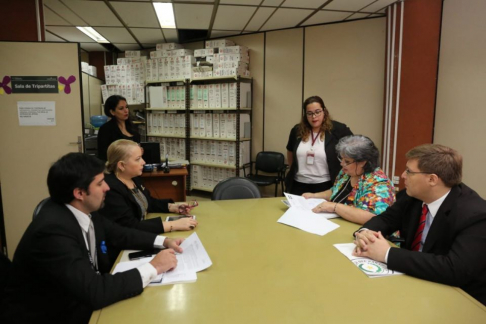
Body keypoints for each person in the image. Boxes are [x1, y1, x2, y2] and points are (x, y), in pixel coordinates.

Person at [0, 153, 184, 323]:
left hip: (79, 301)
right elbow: (94, 291)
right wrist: (154, 267)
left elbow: (120, 233)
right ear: (79, 193)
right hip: (52, 315)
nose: (107, 187)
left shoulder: (83, 209)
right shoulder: (52, 232)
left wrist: (163, 241)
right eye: (99, 183)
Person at [353, 144, 486, 305]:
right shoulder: (412, 196)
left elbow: (455, 269)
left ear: (432, 179)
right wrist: (365, 232)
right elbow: (386, 219)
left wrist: (386, 254)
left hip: (459, 298)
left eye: (409, 171)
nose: (402, 175)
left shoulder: (476, 215)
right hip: (413, 282)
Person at [100, 139, 198, 235]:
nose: (143, 162)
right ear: (121, 165)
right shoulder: (111, 189)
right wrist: (173, 225)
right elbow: (129, 225)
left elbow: (148, 201)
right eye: (138, 159)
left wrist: (173, 207)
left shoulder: (133, 178)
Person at [303, 135, 395, 224]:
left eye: (347, 161)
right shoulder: (346, 172)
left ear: (362, 162)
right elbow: (335, 191)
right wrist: (314, 195)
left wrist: (335, 207)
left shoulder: (379, 183)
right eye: (341, 159)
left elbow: (372, 217)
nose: (342, 164)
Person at [286, 96, 353, 195]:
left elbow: (354, 149)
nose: (314, 117)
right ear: (305, 115)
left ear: (324, 111)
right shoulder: (297, 130)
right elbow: (290, 151)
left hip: (325, 185)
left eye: (317, 112)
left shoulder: (338, 130)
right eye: (310, 113)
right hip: (298, 184)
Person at [97, 95, 140, 161]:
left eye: (126, 107)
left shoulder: (132, 126)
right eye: (121, 108)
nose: (126, 111)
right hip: (115, 167)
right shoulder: (106, 129)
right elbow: (104, 154)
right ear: (112, 112)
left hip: (133, 166)